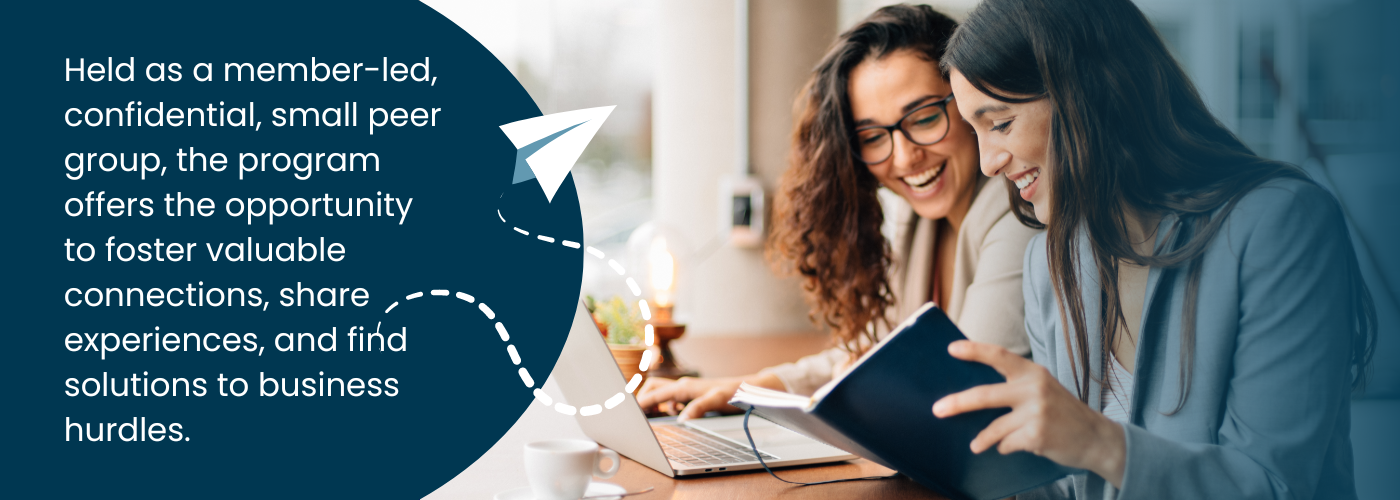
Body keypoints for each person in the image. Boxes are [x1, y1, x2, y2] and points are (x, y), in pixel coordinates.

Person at [932, 0, 1378, 498]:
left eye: (1000, 123)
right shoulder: (1049, 262)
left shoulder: (1282, 225)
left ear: (1089, 92)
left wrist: (1097, 441)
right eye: (975, 132)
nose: (988, 164)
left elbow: (1273, 485)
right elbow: (1066, 487)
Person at [637, 5, 1040, 420]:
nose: (904, 157)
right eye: (872, 136)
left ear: (967, 99)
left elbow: (964, 391)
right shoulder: (918, 222)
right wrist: (739, 388)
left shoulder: (1014, 212)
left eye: (922, 117)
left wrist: (865, 387)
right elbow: (863, 356)